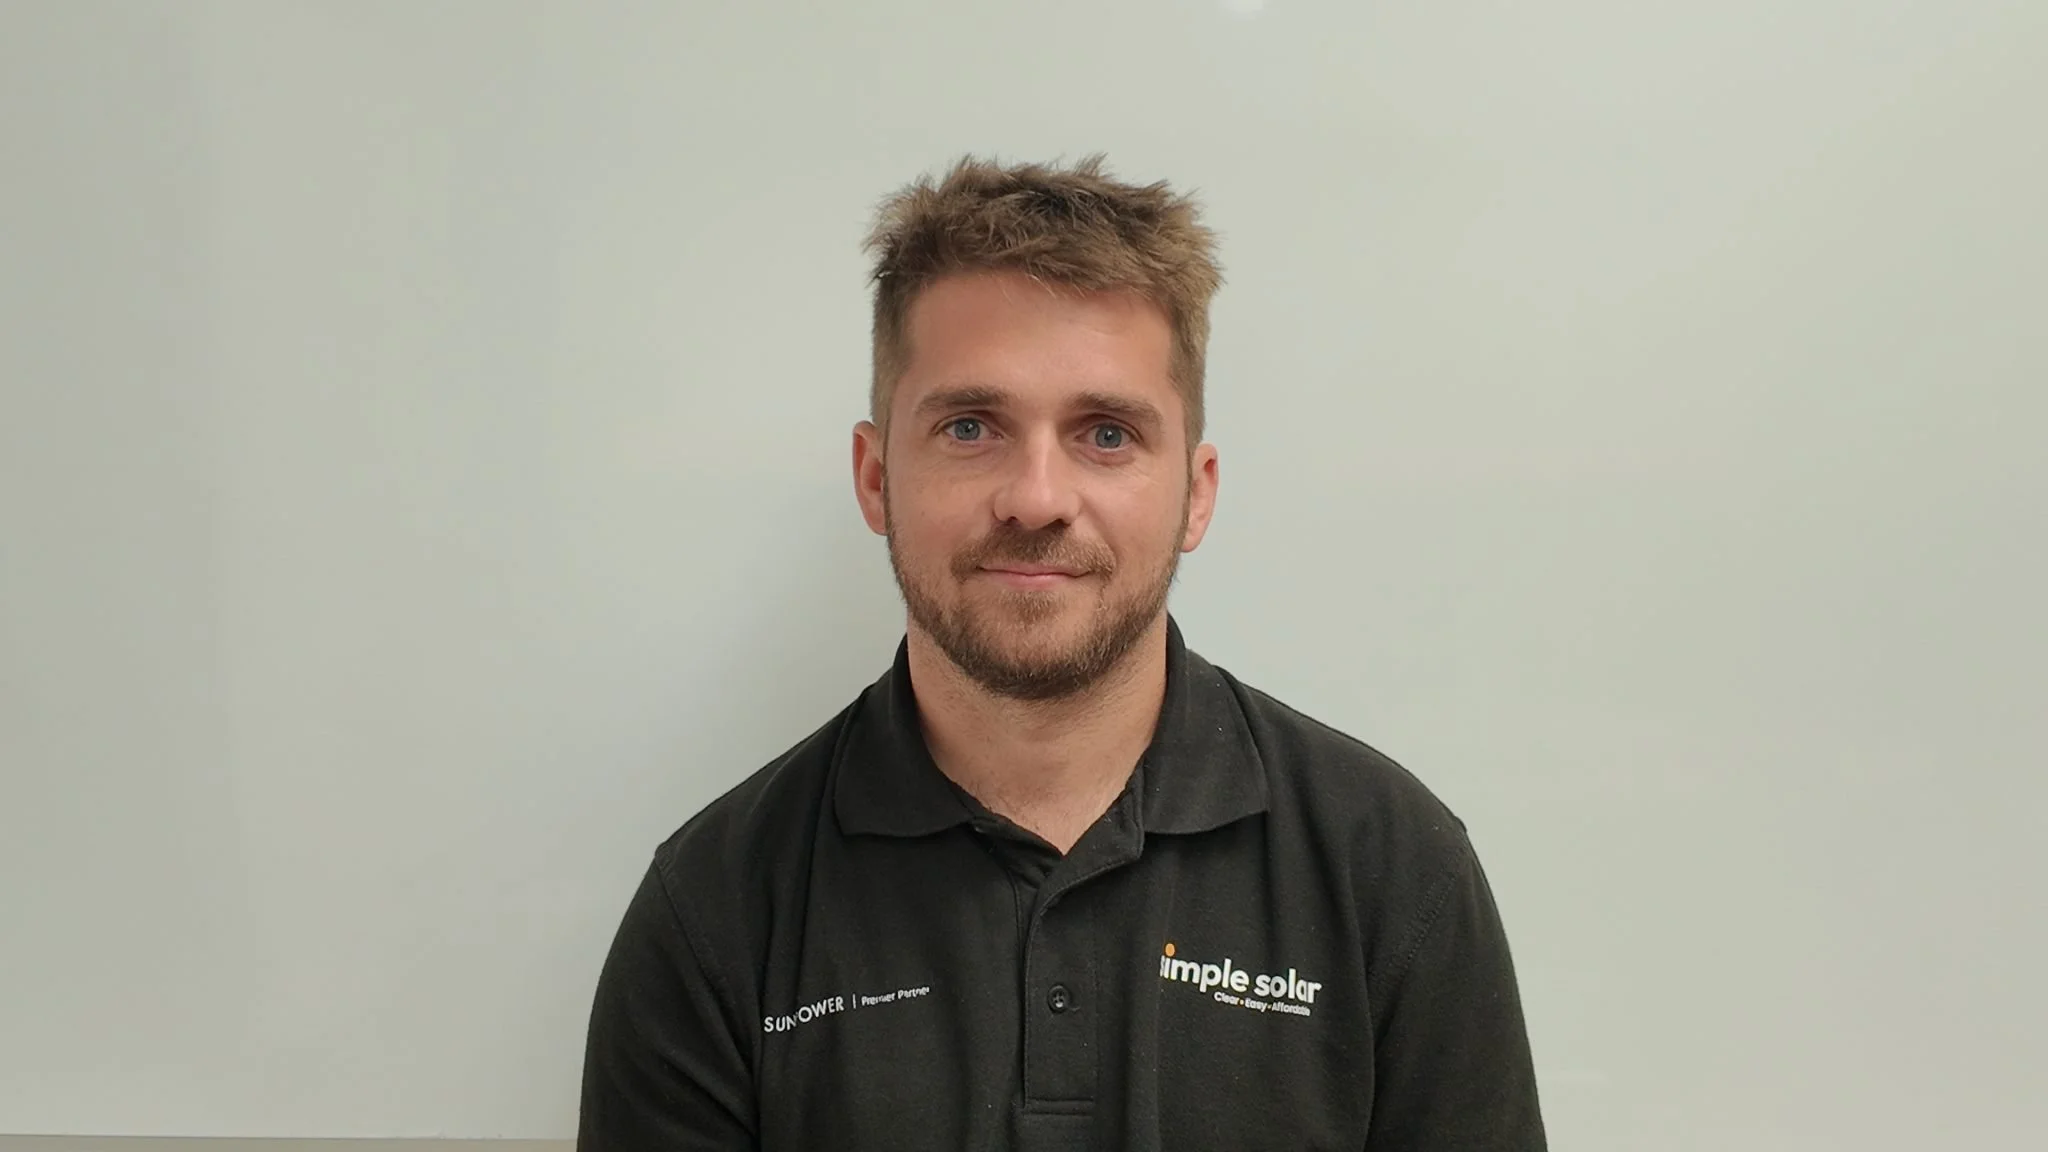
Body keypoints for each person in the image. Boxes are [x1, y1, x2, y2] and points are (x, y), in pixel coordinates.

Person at [577, 154, 1546, 1151]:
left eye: (1105, 434)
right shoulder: (718, 911)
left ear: (1196, 491)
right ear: (874, 478)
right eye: (969, 426)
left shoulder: (1384, 869)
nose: (1036, 498)